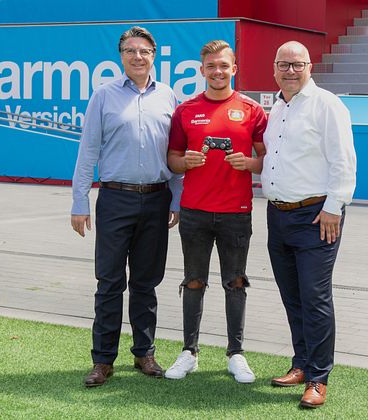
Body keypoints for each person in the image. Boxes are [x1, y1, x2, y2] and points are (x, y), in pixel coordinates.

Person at [71, 26, 182, 387]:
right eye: (131, 50)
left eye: (144, 50)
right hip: (115, 199)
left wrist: (177, 199)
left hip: (156, 198)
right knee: (109, 282)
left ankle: (143, 353)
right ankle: (103, 360)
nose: (138, 56)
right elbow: (87, 151)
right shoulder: (103, 96)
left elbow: (175, 154)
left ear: (154, 55)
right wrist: (79, 201)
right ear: (121, 56)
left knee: (147, 283)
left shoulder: (168, 97)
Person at [164, 40, 267, 383]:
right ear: (202, 70)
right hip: (193, 212)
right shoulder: (186, 110)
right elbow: (172, 159)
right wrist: (185, 162)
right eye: (211, 66)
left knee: (235, 282)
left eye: (224, 65)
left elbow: (269, 160)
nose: (218, 71)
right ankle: (189, 352)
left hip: (236, 213)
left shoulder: (252, 110)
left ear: (234, 69)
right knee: (193, 282)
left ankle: (235, 353)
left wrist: (250, 164)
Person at [261, 41, 357, 408]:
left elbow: (344, 160)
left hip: (317, 216)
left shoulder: (327, 104)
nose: (289, 70)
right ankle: (301, 363)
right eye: (283, 64)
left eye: (296, 64)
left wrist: (335, 207)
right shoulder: (277, 108)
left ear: (310, 66)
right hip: (278, 215)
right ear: (274, 67)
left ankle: (318, 377)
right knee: (293, 297)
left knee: (315, 298)